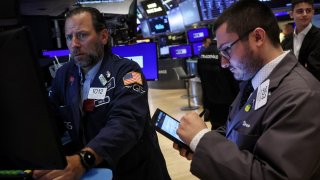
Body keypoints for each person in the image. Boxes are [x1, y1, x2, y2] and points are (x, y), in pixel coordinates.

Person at [174, 1, 320, 179]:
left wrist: (202, 139)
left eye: (227, 50)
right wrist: (201, 146)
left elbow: (273, 175)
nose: (223, 63)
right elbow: (240, 132)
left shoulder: (302, 96)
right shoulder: (253, 80)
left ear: (258, 37)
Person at [33, 7, 171, 180]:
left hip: (134, 172)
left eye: (82, 35)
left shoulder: (127, 71)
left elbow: (125, 124)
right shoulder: (64, 74)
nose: (74, 44)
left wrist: (83, 160)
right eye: (69, 37)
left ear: (103, 36)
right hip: (94, 173)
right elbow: (51, 120)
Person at [197, 39, 239, 129]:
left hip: (211, 100)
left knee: (216, 128)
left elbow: (201, 78)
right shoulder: (224, 54)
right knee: (228, 130)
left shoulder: (202, 55)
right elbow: (232, 79)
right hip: (228, 101)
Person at [281, 0, 320, 81]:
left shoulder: (318, 36)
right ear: (292, 14)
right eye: (300, 11)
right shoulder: (286, 41)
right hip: (292, 86)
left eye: (308, 11)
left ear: (312, 13)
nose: (305, 14)